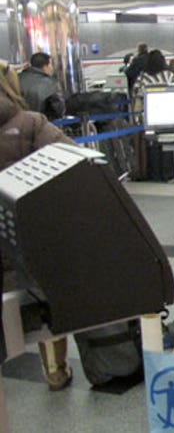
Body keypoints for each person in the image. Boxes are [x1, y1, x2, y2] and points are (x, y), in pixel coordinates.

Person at [0, 59, 75, 392]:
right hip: (31, 228)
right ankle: (54, 369)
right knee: (46, 298)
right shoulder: (31, 123)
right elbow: (71, 158)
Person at [19, 52, 65, 120]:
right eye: (50, 66)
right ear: (45, 67)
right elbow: (59, 109)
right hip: (42, 124)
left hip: (19, 125)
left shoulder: (17, 79)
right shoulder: (50, 83)